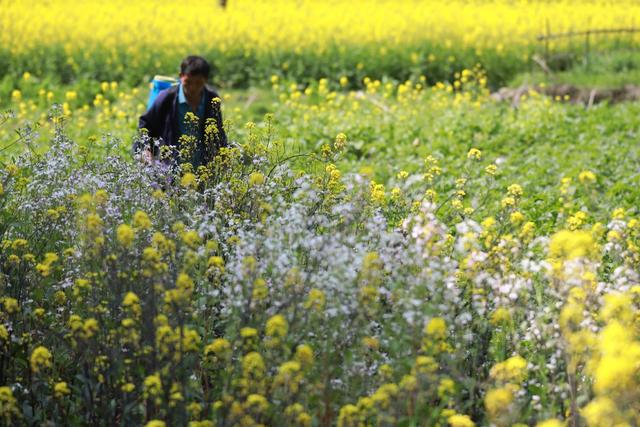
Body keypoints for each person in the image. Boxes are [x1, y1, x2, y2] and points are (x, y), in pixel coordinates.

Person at [134, 55, 227, 168]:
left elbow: (218, 133)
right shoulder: (167, 97)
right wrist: (146, 149)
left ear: (206, 80)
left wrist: (222, 156)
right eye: (188, 82)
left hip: (202, 168)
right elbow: (146, 124)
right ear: (180, 76)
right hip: (170, 169)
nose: (192, 88)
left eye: (198, 83)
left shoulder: (212, 99)